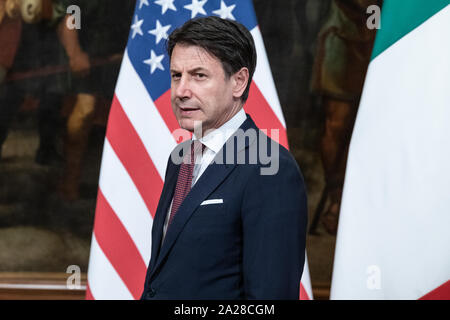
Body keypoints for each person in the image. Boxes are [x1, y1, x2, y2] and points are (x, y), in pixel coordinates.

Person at [141, 16, 308, 300]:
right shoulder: (180, 158)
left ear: (239, 82)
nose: (181, 91)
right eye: (176, 75)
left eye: (199, 75)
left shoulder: (270, 167)